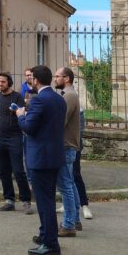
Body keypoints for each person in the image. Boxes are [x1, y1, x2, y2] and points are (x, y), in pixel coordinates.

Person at [16, 65, 66, 255]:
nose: (30, 82)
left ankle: (51, 244)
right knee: (48, 200)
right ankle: (45, 234)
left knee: (45, 203)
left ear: (35, 80)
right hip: (54, 156)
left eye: (31, 79)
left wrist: (21, 116)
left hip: (41, 158)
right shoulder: (58, 99)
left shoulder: (39, 100)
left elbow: (29, 128)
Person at [0, 73, 32, 215]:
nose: (0, 84)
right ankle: (9, 200)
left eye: (3, 81)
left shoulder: (17, 97)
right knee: (3, 171)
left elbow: (23, 112)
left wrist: (15, 111)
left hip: (15, 137)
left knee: (18, 171)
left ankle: (26, 201)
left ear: (9, 83)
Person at [54, 66, 81, 237]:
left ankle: (69, 224)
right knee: (70, 184)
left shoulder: (69, 96)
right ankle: (75, 219)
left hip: (65, 146)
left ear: (67, 79)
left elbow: (59, 122)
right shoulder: (68, 95)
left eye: (58, 76)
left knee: (65, 186)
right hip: (68, 146)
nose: (55, 78)